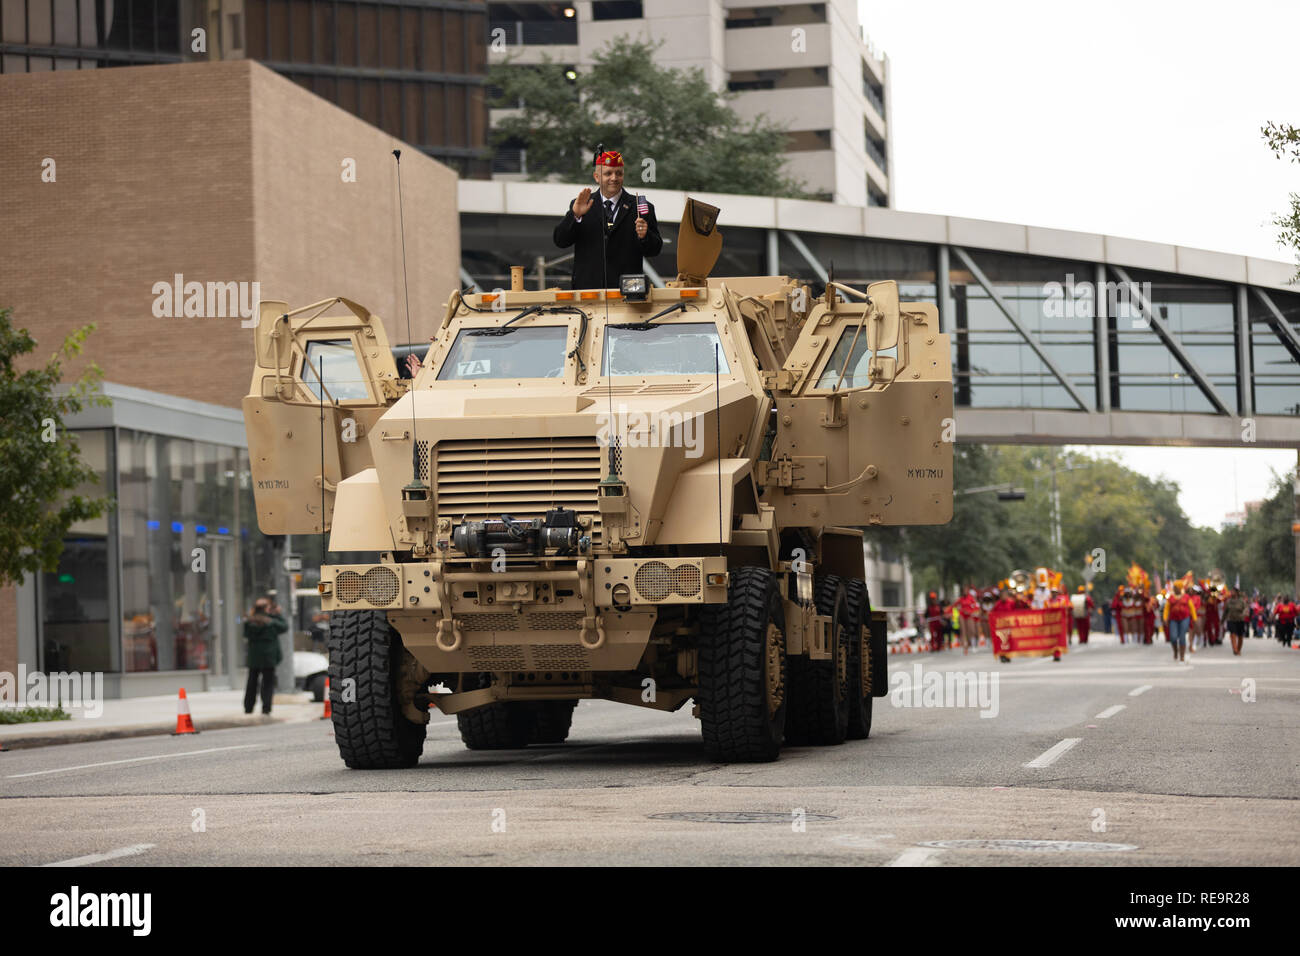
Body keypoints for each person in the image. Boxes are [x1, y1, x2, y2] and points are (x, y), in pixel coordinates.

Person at [552, 149, 663, 291]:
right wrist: (575, 215)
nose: (614, 178)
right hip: (589, 291)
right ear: (597, 177)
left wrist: (644, 236)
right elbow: (560, 241)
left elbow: (655, 250)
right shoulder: (582, 203)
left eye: (619, 173)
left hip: (629, 290)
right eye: (608, 173)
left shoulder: (640, 207)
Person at [244, 597, 287, 715]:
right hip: (269, 656)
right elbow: (284, 627)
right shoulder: (271, 621)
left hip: (254, 657)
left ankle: (248, 708)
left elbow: (246, 633)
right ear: (266, 608)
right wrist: (277, 614)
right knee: (268, 683)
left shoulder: (249, 621)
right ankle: (266, 708)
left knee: (251, 682)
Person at [1163, 582, 1194, 663]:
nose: (1175, 588)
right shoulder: (1171, 598)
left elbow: (1191, 608)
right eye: (1174, 587)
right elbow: (1166, 608)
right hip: (1173, 619)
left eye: (1176, 587)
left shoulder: (1186, 597)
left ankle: (1182, 656)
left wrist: (1194, 618)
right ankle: (1175, 651)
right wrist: (1165, 618)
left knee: (1182, 636)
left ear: (1180, 588)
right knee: (1173, 637)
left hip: (1184, 618)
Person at [1224, 587, 1248, 656]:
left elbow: (1245, 608)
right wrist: (1222, 621)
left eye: (1233, 591)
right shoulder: (1228, 601)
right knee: (1232, 634)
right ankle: (1235, 649)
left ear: (1237, 593)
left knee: (1240, 636)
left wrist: (1245, 613)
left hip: (1240, 620)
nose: (1232, 592)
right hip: (1231, 620)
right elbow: (1225, 612)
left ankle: (1238, 649)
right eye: (1231, 591)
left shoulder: (1241, 601)